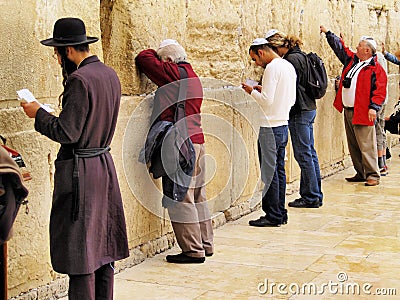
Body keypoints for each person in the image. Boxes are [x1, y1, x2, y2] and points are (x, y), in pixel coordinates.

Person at [20, 18, 129, 299]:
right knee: (102, 251)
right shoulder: (109, 74)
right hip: (103, 168)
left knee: (81, 252)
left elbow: (67, 132)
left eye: (57, 53)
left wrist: (37, 114)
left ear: (68, 51)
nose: (57, 60)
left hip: (82, 173)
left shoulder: (80, 79)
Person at [135, 39, 214, 263]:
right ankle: (205, 244)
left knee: (180, 197)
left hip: (181, 144)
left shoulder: (174, 74)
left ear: (168, 61)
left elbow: (143, 58)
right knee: (198, 195)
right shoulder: (192, 76)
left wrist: (157, 52)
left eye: (164, 61)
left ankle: (192, 250)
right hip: (197, 141)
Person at [320, 25, 387, 186]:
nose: (356, 47)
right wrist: (329, 34)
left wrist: (374, 107)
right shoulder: (353, 60)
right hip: (349, 109)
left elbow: (380, 90)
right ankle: (361, 172)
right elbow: (341, 49)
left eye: (360, 46)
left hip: (364, 111)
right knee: (353, 144)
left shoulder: (375, 68)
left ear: (367, 51)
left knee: (366, 143)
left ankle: (373, 175)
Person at [264, 29, 323, 208]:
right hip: (308, 108)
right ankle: (314, 194)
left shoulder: (291, 61)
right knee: (309, 153)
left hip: (299, 111)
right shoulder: (300, 56)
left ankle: (311, 196)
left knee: (304, 154)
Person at [242, 38, 296, 226]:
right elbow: (289, 98)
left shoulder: (272, 68)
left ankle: (272, 215)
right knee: (279, 171)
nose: (256, 63)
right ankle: (280, 212)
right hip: (282, 124)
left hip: (270, 127)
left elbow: (266, 101)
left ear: (261, 52)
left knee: (270, 173)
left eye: (255, 59)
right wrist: (262, 90)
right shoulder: (288, 66)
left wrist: (251, 91)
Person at [375, 51, 389, 175]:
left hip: (378, 102)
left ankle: (380, 164)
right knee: (381, 130)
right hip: (383, 100)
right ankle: (382, 161)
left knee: (378, 131)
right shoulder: (381, 56)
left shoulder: (376, 59)